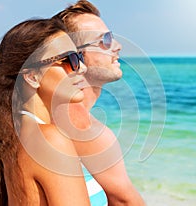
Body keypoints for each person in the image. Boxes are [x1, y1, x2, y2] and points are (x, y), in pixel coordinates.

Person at [0, 17, 103, 205]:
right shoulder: (49, 140)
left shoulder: (17, 137)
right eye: (69, 60)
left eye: (80, 57)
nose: (81, 68)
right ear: (32, 77)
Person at [53, 1, 146, 205]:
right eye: (105, 40)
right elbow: (125, 202)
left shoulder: (49, 116)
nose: (117, 46)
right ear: (74, 56)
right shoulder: (83, 127)